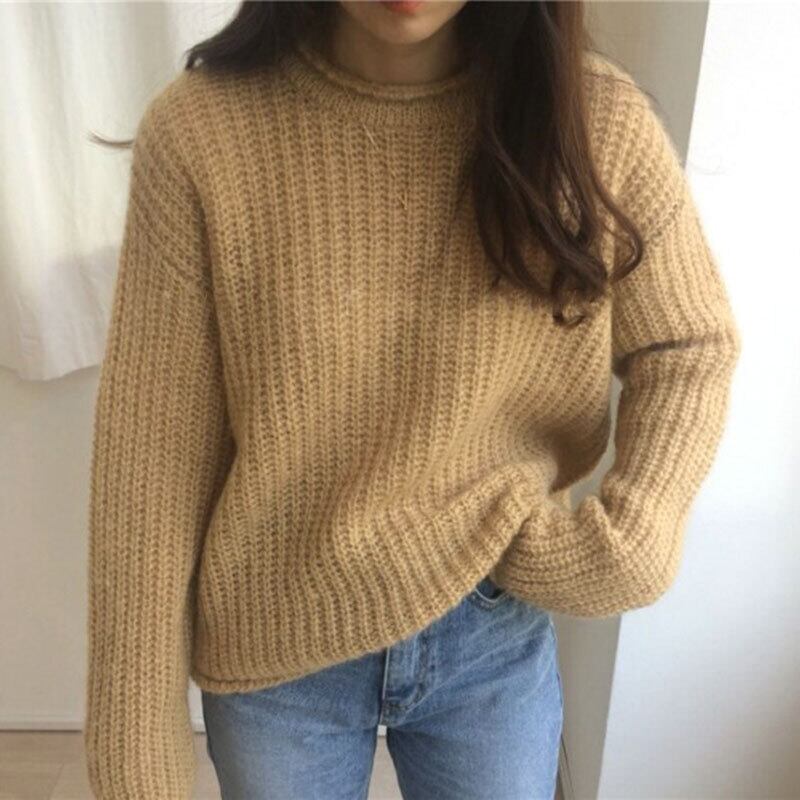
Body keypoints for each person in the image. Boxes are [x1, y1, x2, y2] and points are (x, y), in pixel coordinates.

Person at [83, 1, 741, 798]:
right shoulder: (202, 133)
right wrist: (135, 748)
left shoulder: (595, 123)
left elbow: (687, 344)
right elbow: (152, 463)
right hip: (278, 633)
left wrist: (637, 535)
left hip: (491, 629)